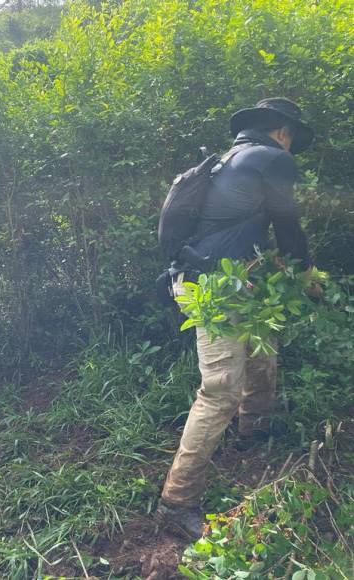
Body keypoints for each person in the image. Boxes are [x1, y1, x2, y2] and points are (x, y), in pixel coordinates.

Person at [156, 98, 317, 538]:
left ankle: (256, 431)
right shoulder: (270, 158)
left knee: (263, 351)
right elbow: (288, 225)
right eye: (292, 140)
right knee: (220, 390)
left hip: (231, 279)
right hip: (214, 287)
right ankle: (177, 501)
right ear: (282, 131)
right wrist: (305, 273)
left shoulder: (230, 160)